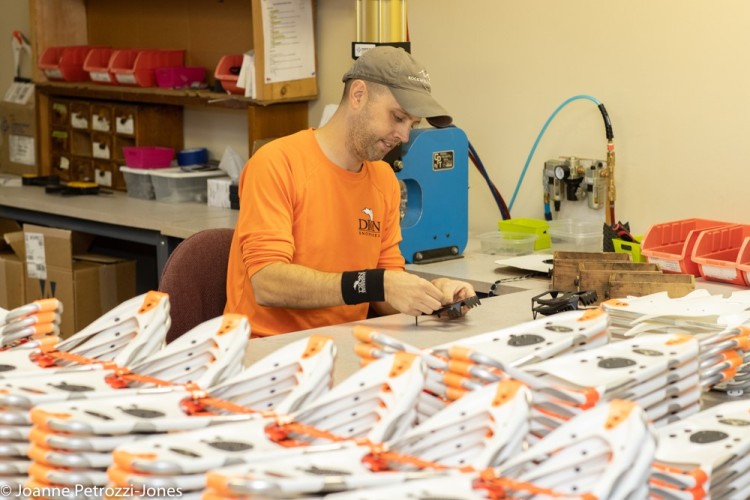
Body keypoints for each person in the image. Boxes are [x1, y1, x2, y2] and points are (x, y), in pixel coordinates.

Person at [225, 46, 475, 337]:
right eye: (397, 117)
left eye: (412, 124)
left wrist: (434, 296)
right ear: (358, 95)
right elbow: (267, 283)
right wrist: (376, 283)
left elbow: (384, 293)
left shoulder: (383, 181)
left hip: (344, 348)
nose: (404, 136)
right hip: (266, 353)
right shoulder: (277, 164)